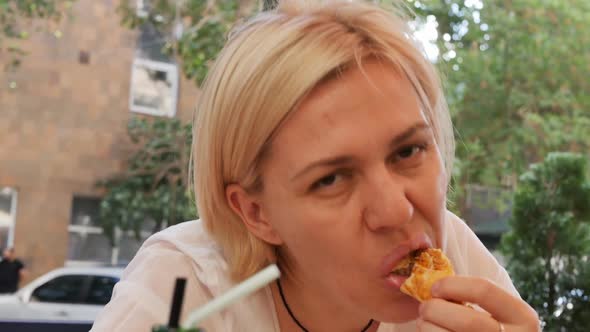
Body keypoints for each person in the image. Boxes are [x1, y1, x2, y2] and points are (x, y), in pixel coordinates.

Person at [92, 0, 540, 331]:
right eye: (331, 179)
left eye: (408, 152)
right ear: (256, 213)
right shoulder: (187, 286)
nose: (395, 211)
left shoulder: (459, 257)